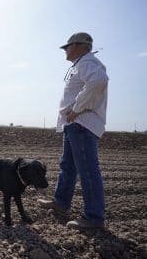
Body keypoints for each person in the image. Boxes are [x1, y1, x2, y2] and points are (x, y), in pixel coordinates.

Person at [38, 32, 109, 229]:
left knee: (87, 170)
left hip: (82, 124)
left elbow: (99, 82)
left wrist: (77, 109)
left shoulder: (87, 62)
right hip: (75, 125)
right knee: (68, 166)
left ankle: (94, 217)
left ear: (79, 46)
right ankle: (61, 203)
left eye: (67, 46)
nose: (65, 50)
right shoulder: (81, 64)